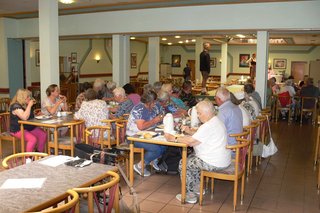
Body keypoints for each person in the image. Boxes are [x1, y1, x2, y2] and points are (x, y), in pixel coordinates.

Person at [164, 100, 230, 204]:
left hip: (214, 162)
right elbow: (201, 134)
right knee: (191, 159)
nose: (198, 116)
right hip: (222, 159)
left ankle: (189, 195)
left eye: (199, 113)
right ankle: (197, 188)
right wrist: (189, 131)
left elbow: (191, 142)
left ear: (205, 113)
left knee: (184, 163)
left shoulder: (207, 126)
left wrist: (173, 138)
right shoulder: (216, 121)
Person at [126, 91, 166, 177]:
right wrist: (155, 120)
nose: (155, 103)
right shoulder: (139, 109)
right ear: (149, 102)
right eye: (154, 102)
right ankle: (139, 166)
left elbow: (161, 114)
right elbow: (141, 126)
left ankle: (153, 159)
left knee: (165, 145)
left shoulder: (153, 107)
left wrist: (161, 117)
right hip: (134, 137)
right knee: (156, 149)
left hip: (148, 134)